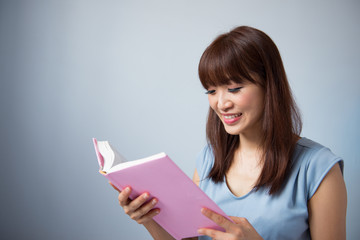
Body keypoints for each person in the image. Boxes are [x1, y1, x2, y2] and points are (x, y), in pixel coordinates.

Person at [110, 26, 347, 239]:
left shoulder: (317, 168)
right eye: (211, 91)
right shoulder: (207, 160)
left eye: (234, 88)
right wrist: (149, 217)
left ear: (269, 86)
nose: (221, 104)